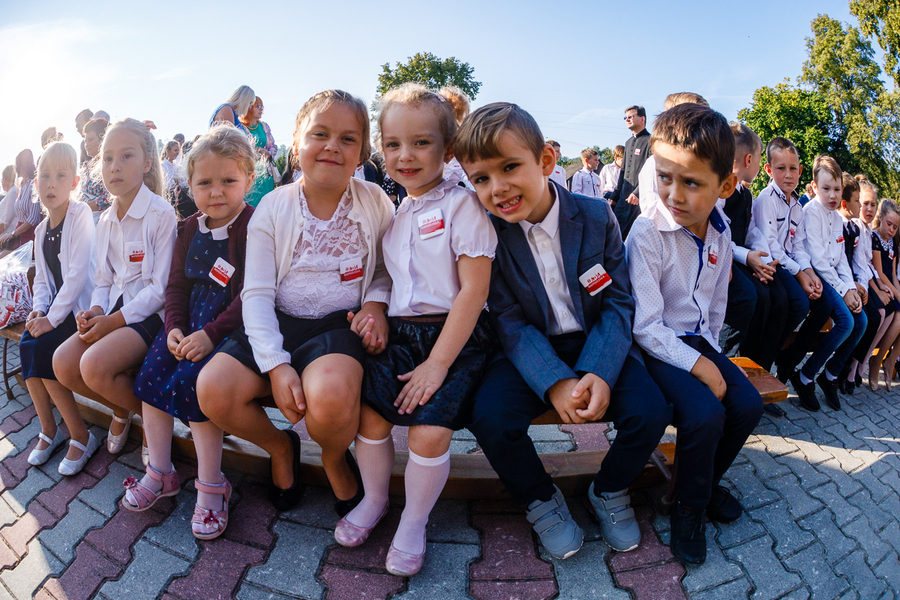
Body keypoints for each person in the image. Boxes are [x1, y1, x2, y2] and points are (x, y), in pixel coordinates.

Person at [454, 102, 670, 559]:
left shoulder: (595, 216)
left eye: (510, 167)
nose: (498, 188)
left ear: (546, 162)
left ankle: (608, 489)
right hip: (528, 348)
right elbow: (508, 321)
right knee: (490, 418)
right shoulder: (488, 232)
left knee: (649, 411)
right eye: (481, 179)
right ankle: (538, 497)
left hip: (597, 339)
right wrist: (554, 382)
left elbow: (617, 302)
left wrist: (600, 371)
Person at [196, 90, 393, 516]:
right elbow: (258, 293)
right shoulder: (272, 206)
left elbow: (384, 270)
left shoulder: (375, 202)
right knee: (213, 390)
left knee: (332, 397)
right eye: (319, 134)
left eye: (347, 139)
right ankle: (280, 447)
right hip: (276, 320)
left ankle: (333, 456)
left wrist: (376, 305)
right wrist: (276, 363)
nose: (332, 147)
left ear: (361, 152)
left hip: (337, 325)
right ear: (296, 141)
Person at [335, 83, 498, 577]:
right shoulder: (399, 209)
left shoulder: (463, 206)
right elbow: (389, 276)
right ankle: (377, 500)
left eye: (421, 143)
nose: (405, 156)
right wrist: (377, 308)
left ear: (448, 150)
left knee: (428, 433)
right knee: (371, 420)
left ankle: (414, 519)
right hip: (401, 334)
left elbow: (473, 292)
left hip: (454, 338)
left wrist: (438, 363)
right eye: (393, 144)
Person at [627, 104, 763, 565]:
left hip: (698, 339)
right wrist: (701, 366)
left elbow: (715, 305)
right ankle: (687, 508)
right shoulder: (646, 234)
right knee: (705, 414)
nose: (674, 194)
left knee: (745, 405)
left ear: (725, 186)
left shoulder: (722, 234)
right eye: (665, 177)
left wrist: (715, 356)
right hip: (655, 347)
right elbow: (644, 327)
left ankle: (697, 486)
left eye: (691, 182)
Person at [126, 125, 255, 540]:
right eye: (204, 183)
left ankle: (212, 483)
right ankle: (160, 470)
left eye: (228, 181)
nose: (216, 192)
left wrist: (210, 335)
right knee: (151, 373)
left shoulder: (254, 228)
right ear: (190, 185)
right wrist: (173, 328)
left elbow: (251, 295)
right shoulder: (188, 229)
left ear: (249, 180)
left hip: (232, 328)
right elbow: (176, 286)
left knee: (193, 384)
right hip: (189, 325)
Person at [54, 118, 177, 467]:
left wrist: (113, 322)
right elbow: (105, 280)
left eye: (126, 156)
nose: (115, 166)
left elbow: (160, 290)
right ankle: (121, 407)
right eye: (107, 158)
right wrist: (95, 310)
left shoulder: (160, 213)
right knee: (63, 364)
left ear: (147, 163)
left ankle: (157, 422)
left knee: (92, 366)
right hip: (115, 312)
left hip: (150, 316)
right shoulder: (105, 219)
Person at [21, 141, 98, 476]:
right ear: (36, 183)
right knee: (27, 344)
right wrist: (39, 312)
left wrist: (51, 321)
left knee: (46, 349)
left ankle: (81, 435)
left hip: (81, 309)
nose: (51, 183)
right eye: (45, 176)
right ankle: (49, 430)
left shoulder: (80, 216)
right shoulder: (40, 230)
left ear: (74, 183)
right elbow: (41, 281)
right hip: (55, 309)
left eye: (61, 175)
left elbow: (78, 277)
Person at [751, 138, 831, 396]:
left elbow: (798, 247)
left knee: (823, 305)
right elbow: (772, 247)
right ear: (768, 170)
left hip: (790, 265)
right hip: (771, 265)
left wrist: (808, 273)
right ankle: (765, 363)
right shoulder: (766, 199)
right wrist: (799, 273)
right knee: (797, 302)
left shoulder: (796, 205)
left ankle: (787, 362)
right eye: (781, 168)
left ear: (800, 169)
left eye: (793, 168)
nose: (788, 175)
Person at [792, 156, 866, 410]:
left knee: (862, 321)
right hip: (817, 275)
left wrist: (852, 287)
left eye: (837, 190)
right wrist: (844, 290)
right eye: (826, 189)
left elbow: (841, 260)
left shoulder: (837, 218)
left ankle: (831, 375)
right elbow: (820, 261)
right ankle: (805, 376)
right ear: (814, 186)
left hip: (835, 278)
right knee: (846, 322)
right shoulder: (811, 212)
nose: (833, 195)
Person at [837, 174, 882, 393]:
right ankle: (846, 365)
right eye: (864, 204)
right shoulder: (853, 226)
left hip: (859, 282)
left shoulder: (865, 231)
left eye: (873, 205)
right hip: (849, 283)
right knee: (871, 317)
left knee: (880, 314)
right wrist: (857, 285)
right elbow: (849, 261)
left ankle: (853, 364)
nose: (869, 209)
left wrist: (865, 284)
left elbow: (865, 265)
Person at [868, 198, 900, 390]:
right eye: (889, 224)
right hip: (878, 285)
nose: (891, 230)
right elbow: (880, 273)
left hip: (890, 286)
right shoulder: (874, 239)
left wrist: (898, 291)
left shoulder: (893, 245)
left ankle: (889, 361)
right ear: (880, 218)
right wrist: (898, 294)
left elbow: (894, 275)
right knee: (897, 317)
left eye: (895, 227)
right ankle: (876, 361)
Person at [611, 105, 651, 238]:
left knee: (632, 237)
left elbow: (652, 171)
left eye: (631, 116)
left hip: (638, 200)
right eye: (625, 117)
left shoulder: (651, 141)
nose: (627, 119)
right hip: (623, 198)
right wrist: (615, 196)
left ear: (642, 119)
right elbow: (622, 172)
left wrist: (638, 193)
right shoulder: (628, 143)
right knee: (615, 235)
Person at [238, 96, 277, 207]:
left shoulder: (264, 127)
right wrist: (252, 151)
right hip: (248, 174)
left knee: (267, 206)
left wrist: (268, 153)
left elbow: (273, 146)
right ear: (248, 107)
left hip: (266, 174)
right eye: (258, 106)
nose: (261, 110)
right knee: (250, 208)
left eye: (262, 107)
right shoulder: (239, 128)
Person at [0, 150, 41, 255]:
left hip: (29, 237)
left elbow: (33, 218)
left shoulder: (33, 185)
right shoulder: (22, 186)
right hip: (19, 234)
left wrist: (13, 234)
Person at [78, 118, 113, 224]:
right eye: (85, 140)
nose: (86, 144)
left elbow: (110, 197)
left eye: (91, 140)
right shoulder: (84, 167)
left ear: (102, 140)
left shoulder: (110, 164)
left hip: (104, 221)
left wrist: (86, 206)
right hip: (85, 220)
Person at [0, 166, 18, 238]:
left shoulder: (13, 192)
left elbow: (6, 220)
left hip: (6, 238)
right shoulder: (11, 192)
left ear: (5, 179)